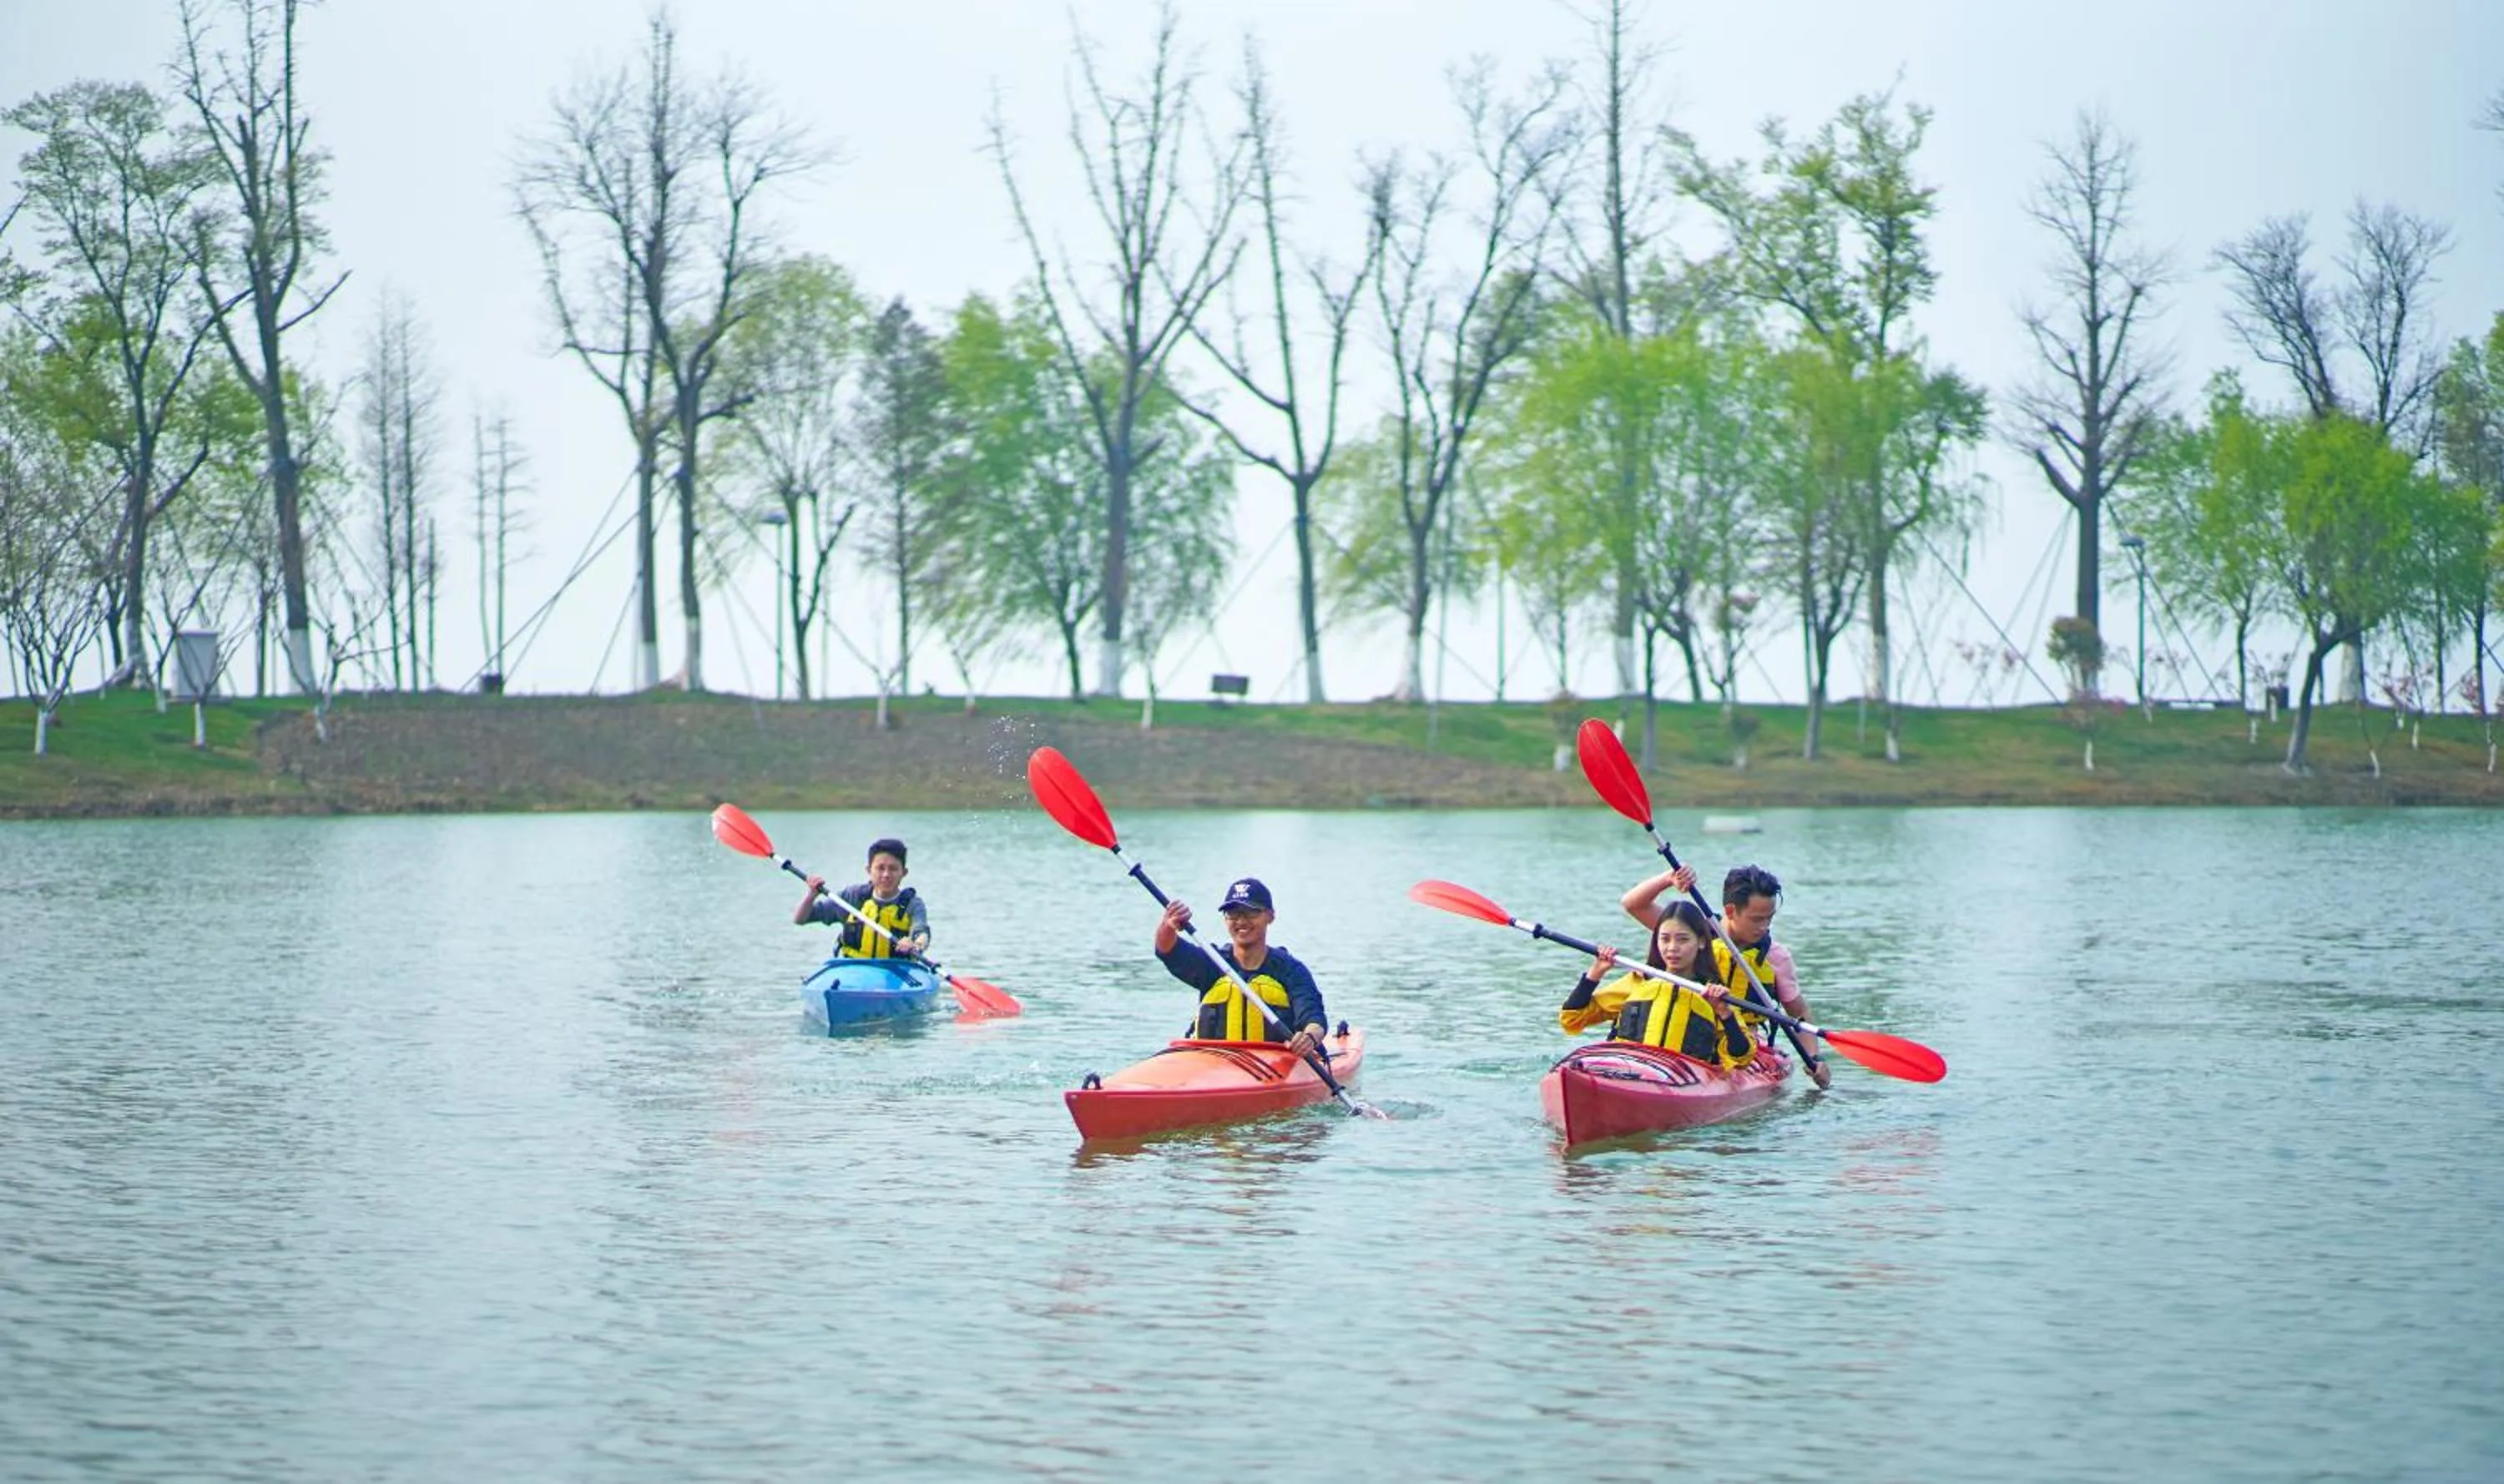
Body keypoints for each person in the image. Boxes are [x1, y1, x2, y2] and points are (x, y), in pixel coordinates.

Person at [1623, 861, 1831, 1088]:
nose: (1764, 927)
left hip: (1743, 1047)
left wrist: (1815, 1058)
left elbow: (1799, 1013)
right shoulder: (1692, 936)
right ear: (1730, 911)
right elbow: (1633, 904)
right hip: (1687, 1038)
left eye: (1769, 918)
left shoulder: (1775, 957)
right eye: (1757, 919)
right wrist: (1668, 879)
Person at [1557, 900, 1758, 1070]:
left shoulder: (1713, 995)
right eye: (1665, 939)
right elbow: (1572, 1018)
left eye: (1682, 940)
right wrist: (1596, 972)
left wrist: (1725, 1014)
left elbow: (1742, 1058)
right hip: (1628, 1067)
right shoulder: (1639, 982)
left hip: (1683, 1076)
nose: (1672, 948)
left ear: (1702, 942)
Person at [1153, 876, 1326, 1056]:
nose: (1241, 921)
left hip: (1277, 1064)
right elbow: (1166, 950)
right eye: (1233, 914)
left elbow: (1314, 1019)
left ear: (1270, 916)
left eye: (1251, 913)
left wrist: (1309, 1038)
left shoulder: (1290, 970)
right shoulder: (1213, 963)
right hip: (1213, 1062)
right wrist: (1168, 925)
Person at [793, 836, 930, 959]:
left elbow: (921, 932)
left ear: (904, 873)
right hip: (853, 970)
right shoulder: (852, 897)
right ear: (869, 870)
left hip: (896, 973)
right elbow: (800, 919)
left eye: (893, 869)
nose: (886, 875)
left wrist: (914, 944)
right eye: (880, 868)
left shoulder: (912, 904)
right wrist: (811, 895)